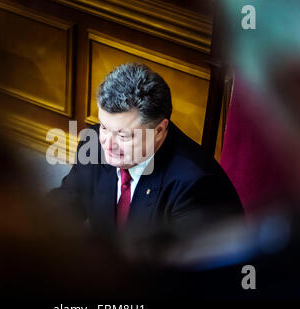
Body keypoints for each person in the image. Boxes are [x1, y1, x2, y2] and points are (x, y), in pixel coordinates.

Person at [49, 63, 243, 241]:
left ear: (159, 131)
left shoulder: (195, 186)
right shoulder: (93, 142)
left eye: (123, 136)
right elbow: (71, 198)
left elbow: (185, 271)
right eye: (104, 127)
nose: (108, 143)